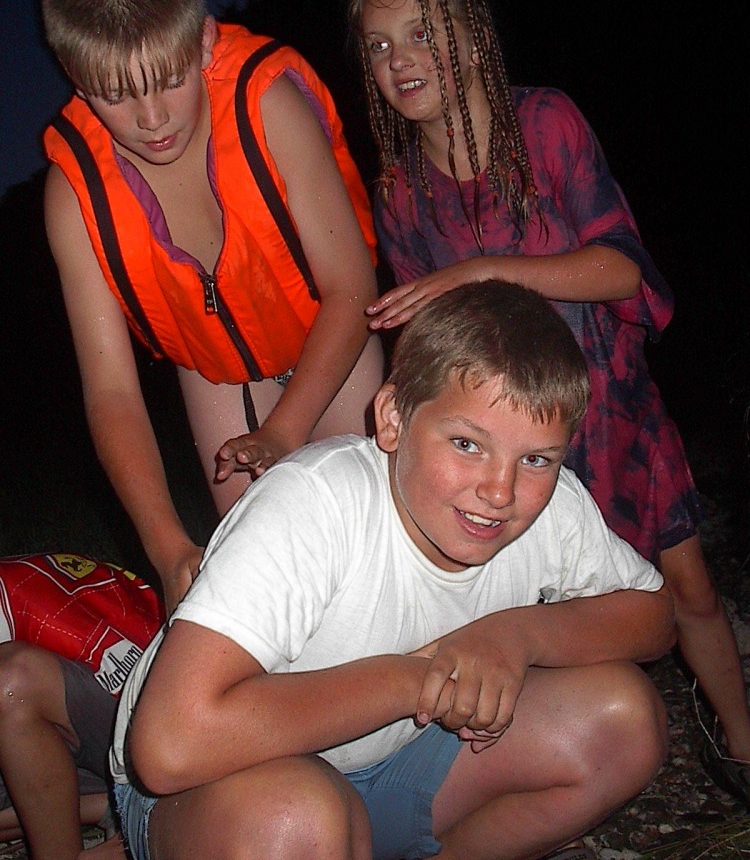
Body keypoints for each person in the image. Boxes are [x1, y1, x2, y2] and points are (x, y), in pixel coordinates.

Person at [346, 0, 750, 802]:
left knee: (687, 590)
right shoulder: (401, 191)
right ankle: (550, 770)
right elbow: (425, 341)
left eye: (421, 34)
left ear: (473, 39)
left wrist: (483, 271)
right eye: (378, 45)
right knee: (545, 610)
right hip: (513, 449)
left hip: (614, 412)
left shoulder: (545, 124)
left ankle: (742, 745)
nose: (399, 59)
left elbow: (622, 271)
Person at [108, 280, 674, 860]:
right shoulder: (316, 503)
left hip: (398, 759)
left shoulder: (553, 509)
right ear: (393, 419)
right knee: (299, 818)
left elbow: (655, 616)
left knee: (624, 720)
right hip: (224, 784)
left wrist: (518, 635)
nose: (500, 490)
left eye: (535, 459)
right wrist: (417, 679)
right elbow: (169, 748)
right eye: (467, 444)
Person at [39, 0, 384, 615]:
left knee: (373, 542)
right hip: (216, 375)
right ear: (75, 76)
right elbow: (112, 393)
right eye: (116, 94)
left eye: (169, 79)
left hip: (330, 338)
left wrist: (283, 432)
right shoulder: (72, 196)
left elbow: (352, 289)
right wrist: (168, 549)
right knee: (267, 578)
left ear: (202, 40)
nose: (152, 118)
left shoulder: (269, 105)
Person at [0, 552, 164, 860]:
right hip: (72, 755)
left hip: (144, 714)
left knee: (11, 681)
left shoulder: (30, 601)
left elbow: (161, 710)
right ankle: (107, 808)